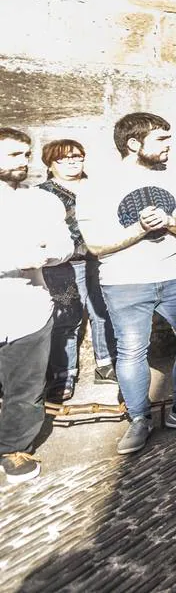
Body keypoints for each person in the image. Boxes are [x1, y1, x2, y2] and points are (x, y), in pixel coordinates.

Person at [77, 113, 176, 455]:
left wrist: (171, 220)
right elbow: (96, 245)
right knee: (131, 352)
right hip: (125, 281)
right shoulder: (97, 185)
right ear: (133, 144)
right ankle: (139, 419)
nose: (170, 145)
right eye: (161, 140)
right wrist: (139, 229)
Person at [0, 128, 71, 483]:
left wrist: (47, 254)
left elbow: (64, 244)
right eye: (13, 154)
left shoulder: (42, 201)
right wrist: (15, 256)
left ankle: (14, 447)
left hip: (28, 307)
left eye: (26, 154)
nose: (23, 161)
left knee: (25, 387)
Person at [38, 138, 115, 398]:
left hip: (100, 257)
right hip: (63, 264)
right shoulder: (42, 193)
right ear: (50, 164)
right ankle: (63, 374)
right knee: (67, 318)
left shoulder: (98, 188)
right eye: (64, 158)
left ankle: (106, 364)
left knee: (103, 312)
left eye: (77, 156)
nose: (72, 161)